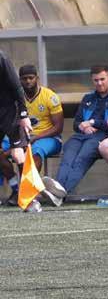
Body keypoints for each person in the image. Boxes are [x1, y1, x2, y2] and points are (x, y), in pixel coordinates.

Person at [1, 64, 63, 206]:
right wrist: (20, 141)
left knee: (34, 153)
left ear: (37, 78)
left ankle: (30, 192)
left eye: (31, 78)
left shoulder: (50, 96)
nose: (28, 81)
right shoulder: (15, 98)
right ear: (19, 80)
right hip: (20, 136)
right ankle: (17, 189)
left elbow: (58, 128)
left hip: (48, 137)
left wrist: (35, 138)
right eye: (24, 79)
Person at [54, 65, 108, 196]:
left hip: (104, 136)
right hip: (81, 135)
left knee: (81, 158)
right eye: (96, 80)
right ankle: (58, 190)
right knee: (67, 158)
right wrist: (83, 126)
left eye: (102, 79)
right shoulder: (88, 98)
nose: (99, 83)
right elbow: (76, 123)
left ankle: (61, 193)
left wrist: (92, 122)